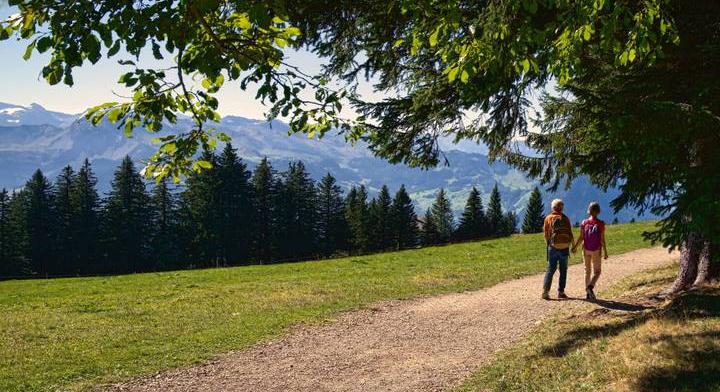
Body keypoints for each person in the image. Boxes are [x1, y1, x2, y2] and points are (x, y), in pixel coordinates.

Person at [572, 202, 608, 301]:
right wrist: (605, 252)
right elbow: (602, 239)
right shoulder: (600, 223)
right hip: (596, 250)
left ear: (589, 211)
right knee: (597, 271)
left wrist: (575, 247)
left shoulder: (584, 222)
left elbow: (581, 237)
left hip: (585, 249)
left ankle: (587, 294)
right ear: (598, 211)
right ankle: (590, 287)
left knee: (587, 271)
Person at [542, 199, 574, 300]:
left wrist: (549, 244)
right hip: (564, 247)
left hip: (553, 247)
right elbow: (570, 233)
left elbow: (546, 234)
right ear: (562, 208)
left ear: (552, 208)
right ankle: (561, 292)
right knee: (563, 270)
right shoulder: (566, 218)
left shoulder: (548, 218)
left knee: (551, 269)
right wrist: (573, 245)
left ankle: (545, 292)